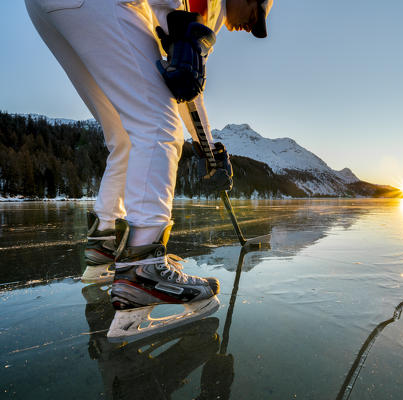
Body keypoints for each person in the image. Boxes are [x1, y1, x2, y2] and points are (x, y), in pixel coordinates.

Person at [25, 0, 273, 335]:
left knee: (125, 136)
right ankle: (143, 270)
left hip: (49, 9)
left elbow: (186, 83)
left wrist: (207, 147)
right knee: (159, 127)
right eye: (256, 16)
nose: (250, 26)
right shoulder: (207, 8)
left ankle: (105, 242)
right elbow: (184, 83)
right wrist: (207, 148)